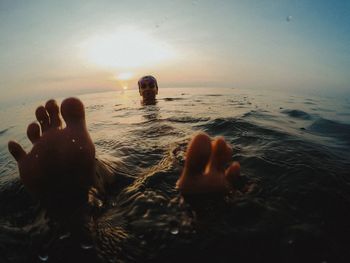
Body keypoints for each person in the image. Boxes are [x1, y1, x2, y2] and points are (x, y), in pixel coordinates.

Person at [7, 97, 241, 215]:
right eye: (144, 84)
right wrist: (176, 151)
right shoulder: (151, 113)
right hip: (128, 166)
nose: (148, 88)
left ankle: (70, 204)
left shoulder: (162, 111)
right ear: (140, 91)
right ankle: (189, 201)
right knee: (110, 168)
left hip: (118, 163)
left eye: (152, 84)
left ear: (156, 90)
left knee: (101, 175)